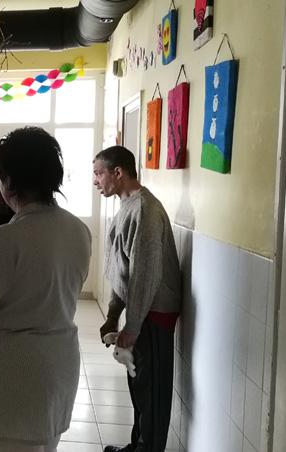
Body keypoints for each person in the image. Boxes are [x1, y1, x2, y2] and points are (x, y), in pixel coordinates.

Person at [0, 127, 92, 452]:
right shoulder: (78, 230)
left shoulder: (4, 239)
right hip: (59, 364)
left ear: (9, 183)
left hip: (15, 376)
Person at [92, 146, 182, 452]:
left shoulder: (144, 209)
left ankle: (147, 448)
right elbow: (123, 269)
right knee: (140, 384)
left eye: (99, 173)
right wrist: (113, 315)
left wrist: (132, 326)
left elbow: (144, 274)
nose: (95, 181)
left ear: (118, 172)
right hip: (142, 311)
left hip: (153, 312)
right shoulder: (127, 206)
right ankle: (138, 446)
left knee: (151, 389)